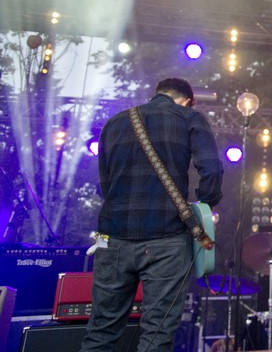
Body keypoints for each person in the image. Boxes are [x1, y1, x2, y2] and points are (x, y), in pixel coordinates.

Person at [81, 77, 224, 352]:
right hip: (166, 238)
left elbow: (105, 186)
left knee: (100, 333)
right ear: (188, 101)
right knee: (156, 336)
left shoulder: (114, 123)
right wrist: (204, 206)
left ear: (156, 93)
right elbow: (212, 170)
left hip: (110, 238)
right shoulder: (189, 118)